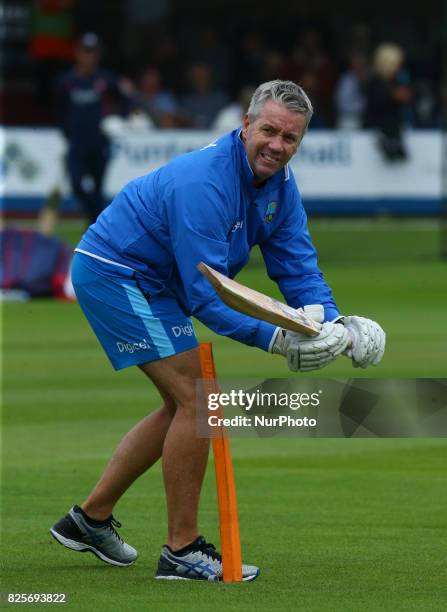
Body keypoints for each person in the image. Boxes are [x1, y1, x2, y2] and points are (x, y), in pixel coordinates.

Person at [50, 80, 386, 582]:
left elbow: (297, 266)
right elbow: (210, 294)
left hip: (158, 284)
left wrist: (332, 325)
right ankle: (181, 551)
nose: (276, 145)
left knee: (182, 402)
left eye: (289, 138)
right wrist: (278, 338)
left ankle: (89, 520)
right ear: (245, 125)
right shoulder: (205, 182)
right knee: (199, 399)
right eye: (268, 130)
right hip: (116, 273)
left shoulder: (281, 186)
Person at [54, 33, 132, 224]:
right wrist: (67, 132)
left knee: (98, 190)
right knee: (76, 185)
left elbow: (127, 99)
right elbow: (58, 109)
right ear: (78, 53)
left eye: (93, 53)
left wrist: (118, 119)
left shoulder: (106, 79)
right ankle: (93, 220)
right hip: (77, 144)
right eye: (86, 52)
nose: (89, 57)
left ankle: (94, 230)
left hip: (99, 143)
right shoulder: (66, 82)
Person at [363, 43, 412, 161]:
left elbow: (405, 97)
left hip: (395, 125)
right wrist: (394, 96)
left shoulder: (396, 81)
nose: (399, 67)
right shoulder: (374, 81)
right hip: (377, 124)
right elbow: (377, 101)